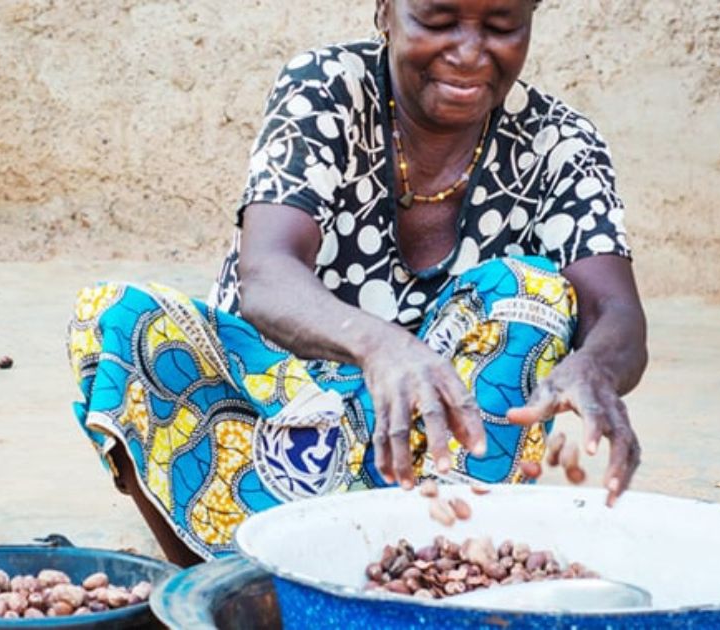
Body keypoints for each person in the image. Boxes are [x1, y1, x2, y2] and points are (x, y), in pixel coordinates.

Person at [66, 0, 646, 567]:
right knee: (115, 318)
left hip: (438, 449)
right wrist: (382, 346)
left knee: (533, 291)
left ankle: (452, 567)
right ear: (385, 11)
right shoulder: (325, 89)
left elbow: (615, 311)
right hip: (271, 416)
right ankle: (225, 579)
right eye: (439, 21)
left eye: (501, 27)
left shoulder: (560, 142)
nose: (470, 53)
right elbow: (266, 274)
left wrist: (593, 366)